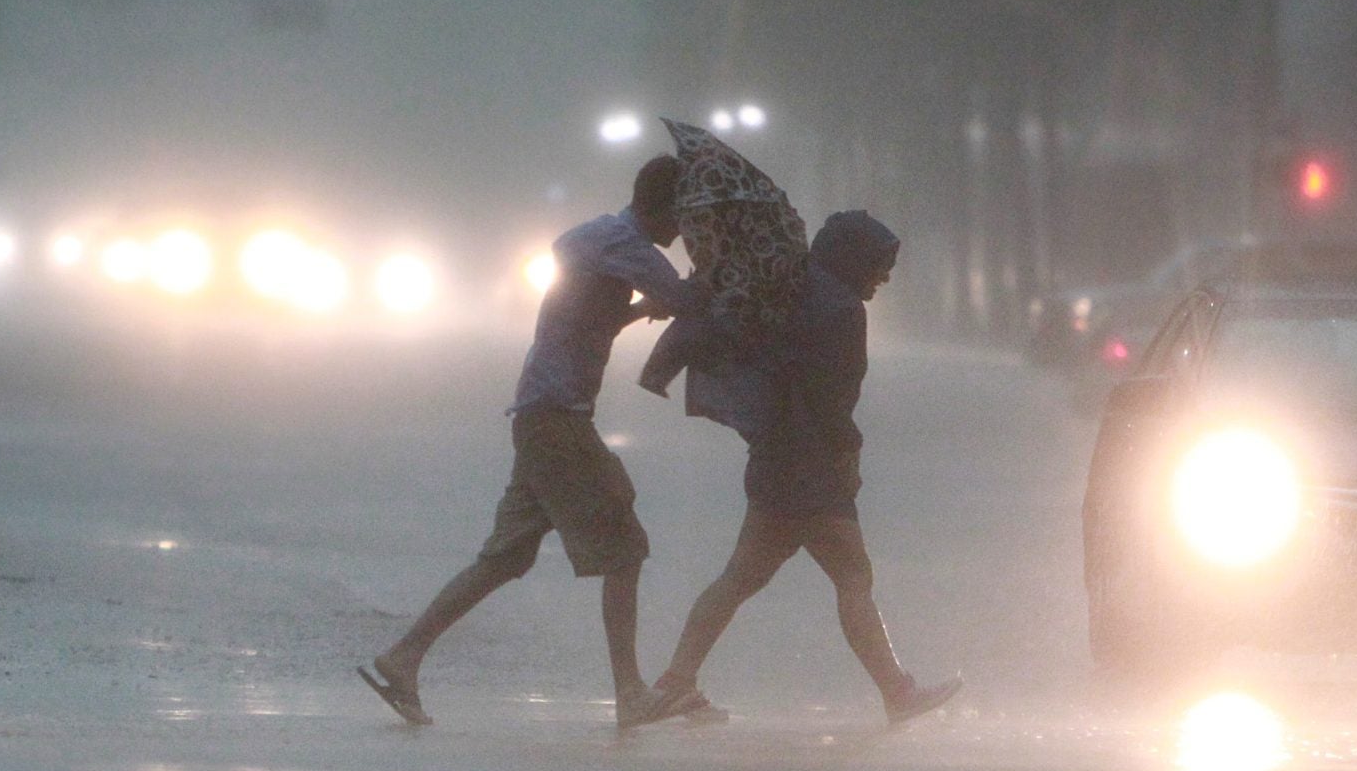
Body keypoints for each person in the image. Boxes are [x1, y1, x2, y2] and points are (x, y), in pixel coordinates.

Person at [361, 157, 707, 729]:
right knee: (624, 548)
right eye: (687, 215)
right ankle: (631, 694)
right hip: (558, 419)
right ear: (668, 208)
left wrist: (643, 306)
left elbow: (588, 313)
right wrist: (705, 278)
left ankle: (404, 656)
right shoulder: (630, 247)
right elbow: (687, 301)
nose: (686, 229)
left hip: (538, 412)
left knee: (505, 557)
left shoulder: (599, 236)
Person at [648, 210, 961, 727]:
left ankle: (675, 681)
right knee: (852, 575)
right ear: (854, 257)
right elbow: (826, 397)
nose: (883, 277)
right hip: (810, 469)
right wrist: (847, 448)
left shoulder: (790, 293)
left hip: (775, 457)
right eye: (879, 265)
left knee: (741, 577)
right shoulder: (840, 310)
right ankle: (897, 693)